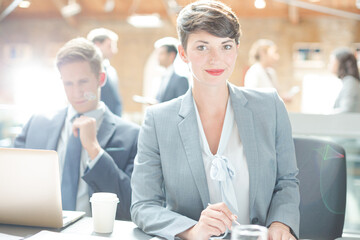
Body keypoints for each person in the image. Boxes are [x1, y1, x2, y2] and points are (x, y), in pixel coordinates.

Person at [130, 1, 300, 240]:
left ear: (237, 48)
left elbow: (286, 181)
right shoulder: (158, 121)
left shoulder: (269, 106)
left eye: (226, 46)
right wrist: (191, 230)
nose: (216, 59)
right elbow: (143, 205)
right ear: (183, 53)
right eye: (202, 47)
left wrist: (281, 224)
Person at [14, 38, 139, 221]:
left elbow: (132, 206)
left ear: (100, 79)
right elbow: (11, 181)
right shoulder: (37, 123)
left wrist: (95, 151)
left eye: (83, 82)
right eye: (68, 84)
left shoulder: (132, 135)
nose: (76, 92)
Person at [87, 28, 123, 116]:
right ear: (97, 45)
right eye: (110, 46)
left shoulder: (111, 70)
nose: (114, 51)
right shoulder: (87, 70)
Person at [155, 37, 189, 103]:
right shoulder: (162, 77)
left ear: (171, 55)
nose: (158, 57)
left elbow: (182, 105)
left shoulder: (181, 79)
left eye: (161, 54)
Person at [328, 47, 360, 113]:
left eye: (331, 61)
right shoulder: (349, 82)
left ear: (340, 63)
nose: (329, 65)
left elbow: (346, 110)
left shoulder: (350, 82)